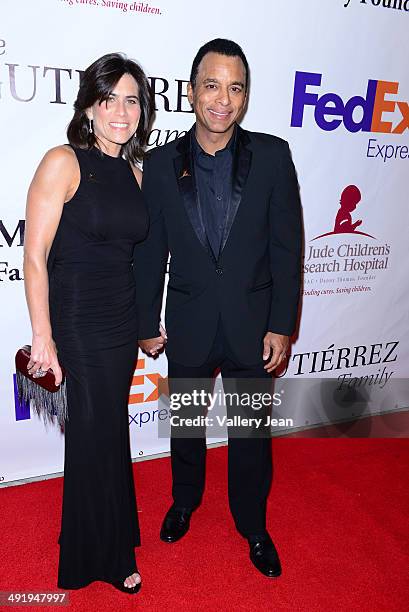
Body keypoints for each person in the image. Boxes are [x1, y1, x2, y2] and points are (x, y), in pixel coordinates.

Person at [133, 39, 302, 578]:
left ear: (246, 96)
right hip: (189, 321)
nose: (223, 99)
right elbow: (150, 250)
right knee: (185, 425)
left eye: (236, 87)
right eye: (212, 85)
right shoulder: (160, 165)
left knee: (251, 434)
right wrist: (144, 319)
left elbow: (286, 245)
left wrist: (282, 324)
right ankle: (185, 502)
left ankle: (253, 525)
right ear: (191, 91)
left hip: (253, 325)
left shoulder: (273, 156)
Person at [23, 52, 155, 594]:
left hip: (121, 322)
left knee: (106, 431)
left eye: (131, 100)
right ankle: (98, 556)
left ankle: (110, 532)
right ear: (89, 107)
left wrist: (148, 321)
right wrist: (42, 335)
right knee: (93, 433)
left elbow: (141, 258)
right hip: (77, 322)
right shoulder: (63, 161)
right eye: (109, 99)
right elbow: (34, 256)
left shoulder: (138, 173)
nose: (120, 112)